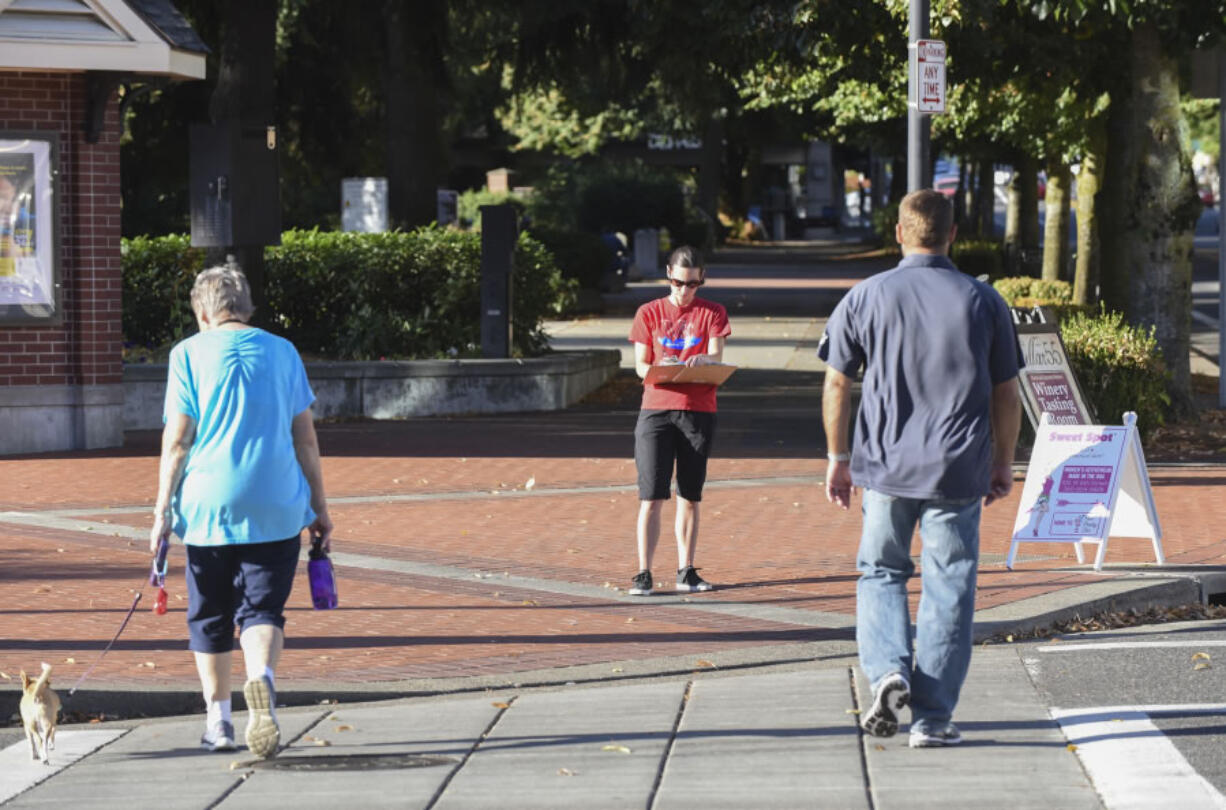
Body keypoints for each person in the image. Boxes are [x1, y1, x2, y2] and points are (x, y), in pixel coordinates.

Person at [819, 189, 1022, 748]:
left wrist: (839, 460)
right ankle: (932, 719)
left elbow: (838, 381)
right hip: (958, 468)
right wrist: (1003, 462)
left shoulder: (867, 296)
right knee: (950, 586)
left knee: (881, 572)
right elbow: (1007, 393)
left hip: (885, 467)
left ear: (900, 233)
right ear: (952, 234)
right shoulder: (984, 300)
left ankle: (888, 668)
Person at [150, 265, 332, 758]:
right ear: (246, 306)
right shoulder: (283, 351)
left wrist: (162, 510)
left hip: (209, 506)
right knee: (263, 609)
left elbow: (178, 441)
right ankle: (263, 679)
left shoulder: (186, 353)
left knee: (209, 614)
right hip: (275, 500)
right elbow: (305, 438)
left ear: (202, 311)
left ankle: (219, 723)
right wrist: (320, 507)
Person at [627, 246, 731, 596]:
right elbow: (640, 364)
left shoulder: (713, 312)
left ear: (702, 280)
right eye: (677, 282)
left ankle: (686, 570)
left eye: (692, 284)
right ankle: (643, 572)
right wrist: (659, 369)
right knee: (651, 495)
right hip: (656, 409)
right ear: (668, 274)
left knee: (690, 494)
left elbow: (717, 355)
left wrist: (702, 361)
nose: (684, 291)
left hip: (698, 409)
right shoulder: (649, 312)